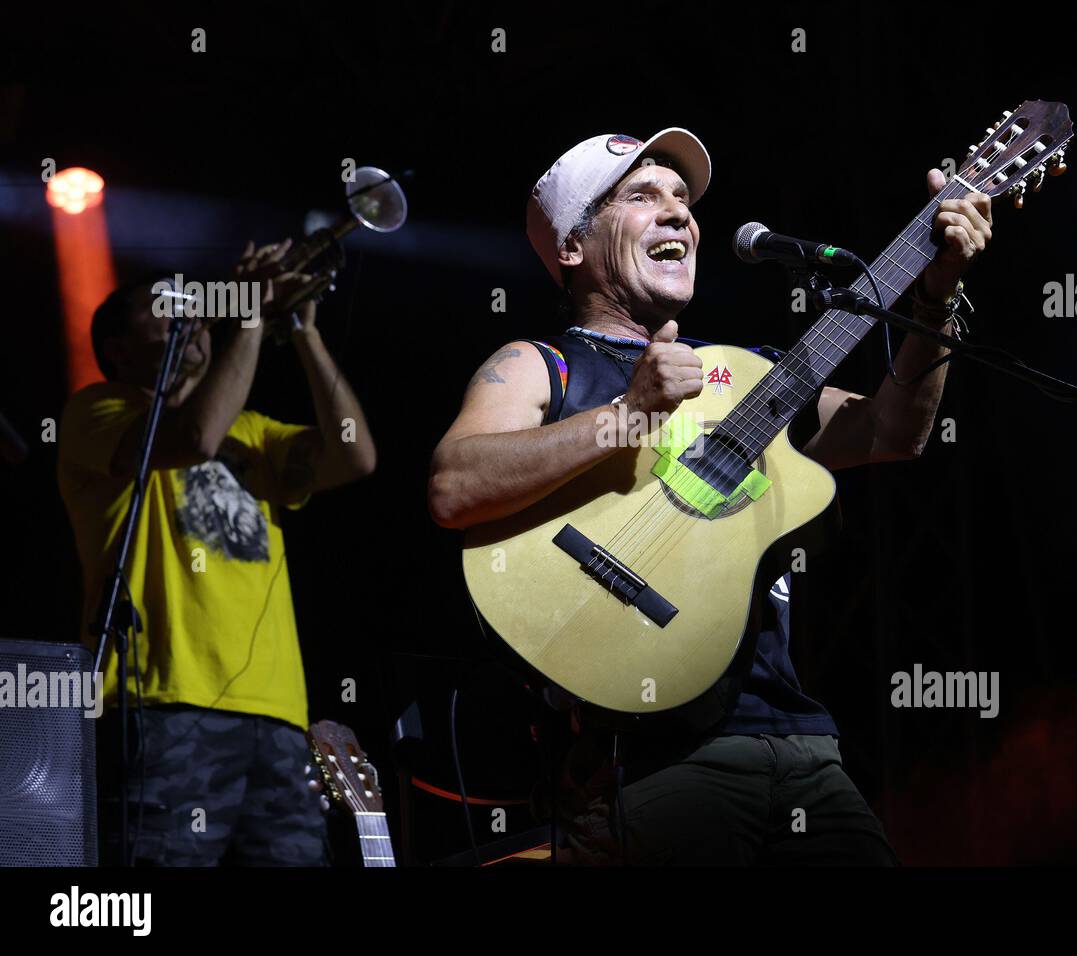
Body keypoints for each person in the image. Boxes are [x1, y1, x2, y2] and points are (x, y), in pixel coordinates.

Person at [429, 128, 992, 865]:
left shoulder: (748, 372)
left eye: (683, 200)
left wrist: (937, 295)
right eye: (642, 195)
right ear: (572, 245)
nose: (679, 215)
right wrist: (627, 414)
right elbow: (454, 484)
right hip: (654, 763)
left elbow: (893, 430)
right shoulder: (542, 365)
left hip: (805, 750)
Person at [58, 240, 377, 865]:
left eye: (195, 308)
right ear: (120, 348)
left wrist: (303, 332)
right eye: (167, 309)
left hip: (279, 714)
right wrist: (253, 316)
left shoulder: (255, 432)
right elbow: (198, 437)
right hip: (163, 703)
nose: (193, 317)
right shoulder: (100, 410)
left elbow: (356, 454)